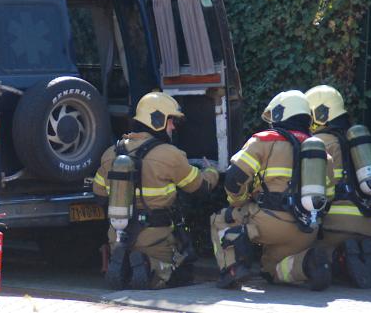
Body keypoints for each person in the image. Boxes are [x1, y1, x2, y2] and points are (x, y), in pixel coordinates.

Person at [93, 91, 219, 290]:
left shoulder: (111, 154)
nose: (173, 127)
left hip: (118, 237)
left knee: (126, 257)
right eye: (171, 121)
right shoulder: (170, 155)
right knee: (183, 272)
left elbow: (99, 195)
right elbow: (199, 187)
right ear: (157, 119)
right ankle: (150, 266)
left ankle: (121, 263)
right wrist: (212, 171)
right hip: (156, 240)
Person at [211, 90, 334, 291]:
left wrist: (239, 202)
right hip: (306, 230)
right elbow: (328, 197)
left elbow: (234, 179)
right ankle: (307, 263)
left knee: (219, 220)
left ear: (279, 113)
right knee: (272, 271)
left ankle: (233, 270)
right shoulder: (320, 154)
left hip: (268, 222)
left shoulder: (264, 141)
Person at [305, 85, 371, 288]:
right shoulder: (358, 141)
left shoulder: (317, 143)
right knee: (358, 241)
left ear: (320, 113)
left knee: (313, 254)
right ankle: (369, 250)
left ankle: (339, 258)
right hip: (370, 222)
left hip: (337, 224)